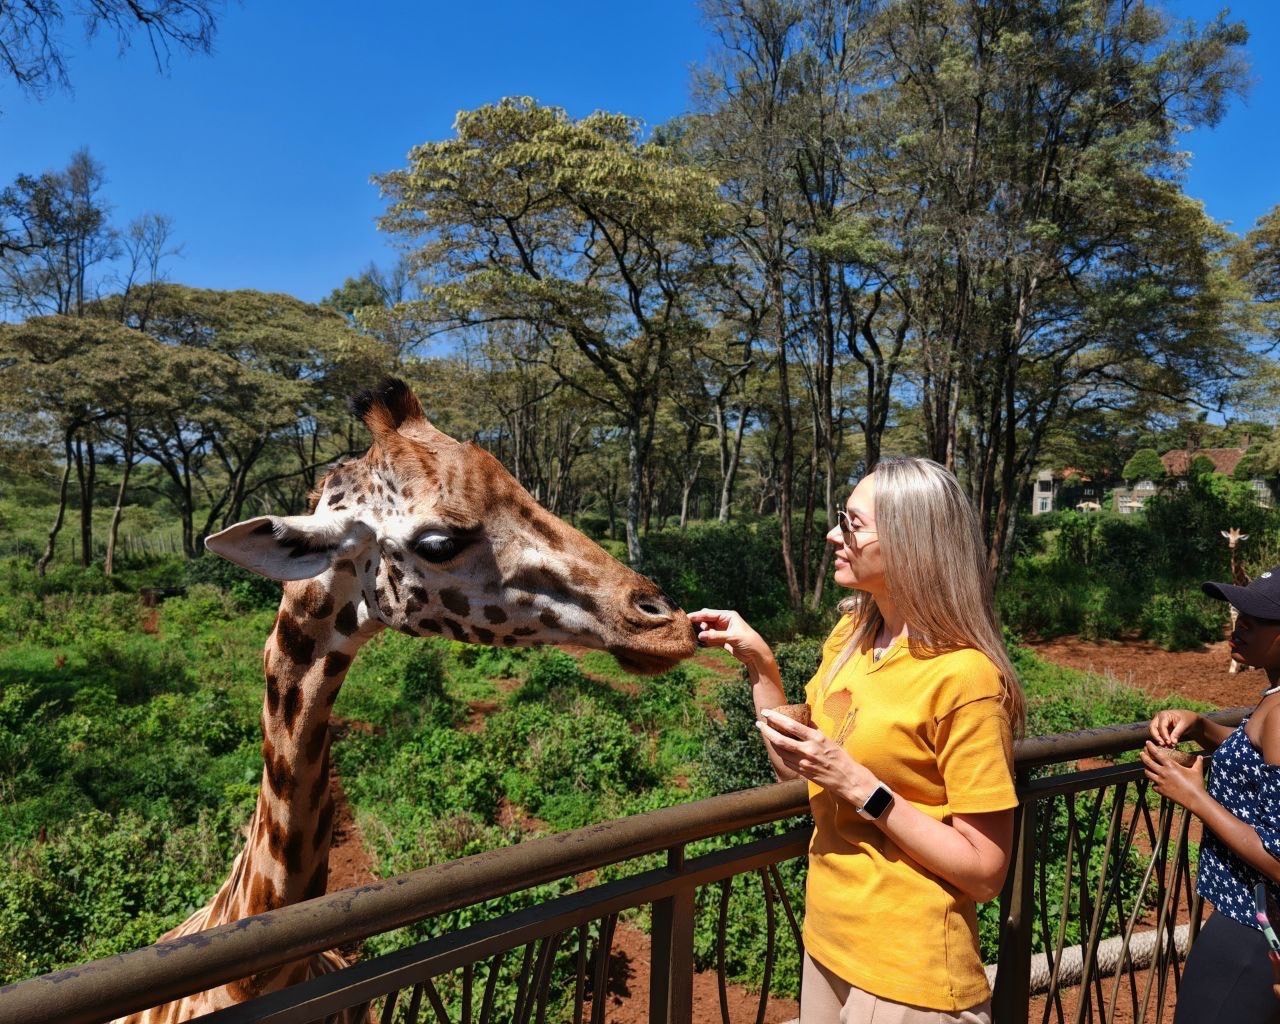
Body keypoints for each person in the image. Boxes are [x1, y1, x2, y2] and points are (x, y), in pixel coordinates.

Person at [689, 456, 1025, 1024]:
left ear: (913, 541)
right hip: (827, 940)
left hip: (910, 973)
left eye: (852, 524)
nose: (832, 535)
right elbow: (795, 773)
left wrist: (859, 785)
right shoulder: (852, 633)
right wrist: (762, 668)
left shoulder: (965, 678)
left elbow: (985, 870)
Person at [1143, 568, 1280, 1024]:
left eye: (1256, 620)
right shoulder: (1274, 697)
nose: (1238, 627)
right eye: (1241, 613)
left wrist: (1196, 798)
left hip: (1252, 931)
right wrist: (1203, 727)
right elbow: (1255, 762)